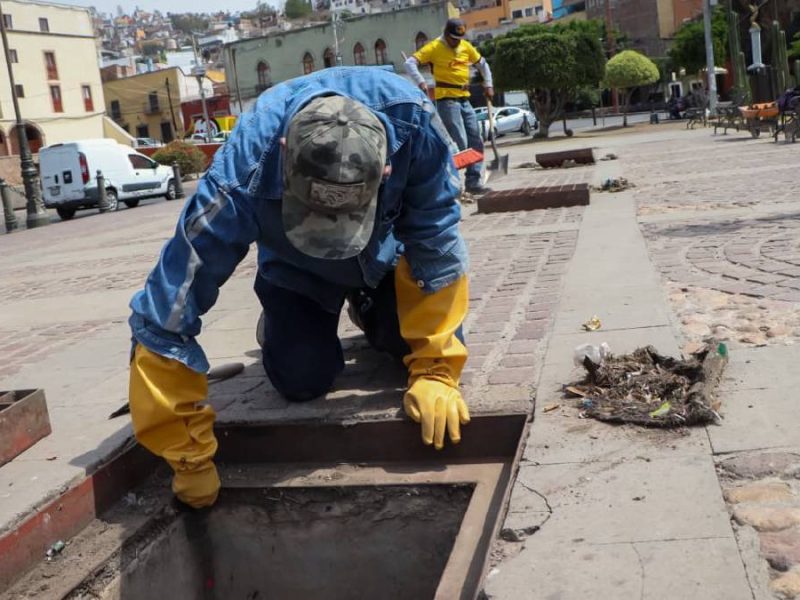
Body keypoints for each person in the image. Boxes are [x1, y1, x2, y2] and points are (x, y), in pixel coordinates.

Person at [127, 67, 471, 509]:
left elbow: (436, 241)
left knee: (399, 345)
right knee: (301, 378)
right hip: (296, 269)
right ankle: (280, 319)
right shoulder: (243, 167)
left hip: (385, 261)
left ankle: (368, 310)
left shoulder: (415, 125)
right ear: (284, 152)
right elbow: (169, 305)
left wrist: (437, 369)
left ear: (386, 168)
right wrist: (187, 455)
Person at [405, 17, 493, 194]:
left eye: (459, 39)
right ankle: (450, 183)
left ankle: (473, 182)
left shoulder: (466, 47)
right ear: (446, 34)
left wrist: (489, 84)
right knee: (459, 141)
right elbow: (409, 63)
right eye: (453, 38)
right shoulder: (434, 47)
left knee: (475, 138)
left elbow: (483, 65)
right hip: (447, 100)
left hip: (464, 98)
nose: (456, 42)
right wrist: (421, 82)